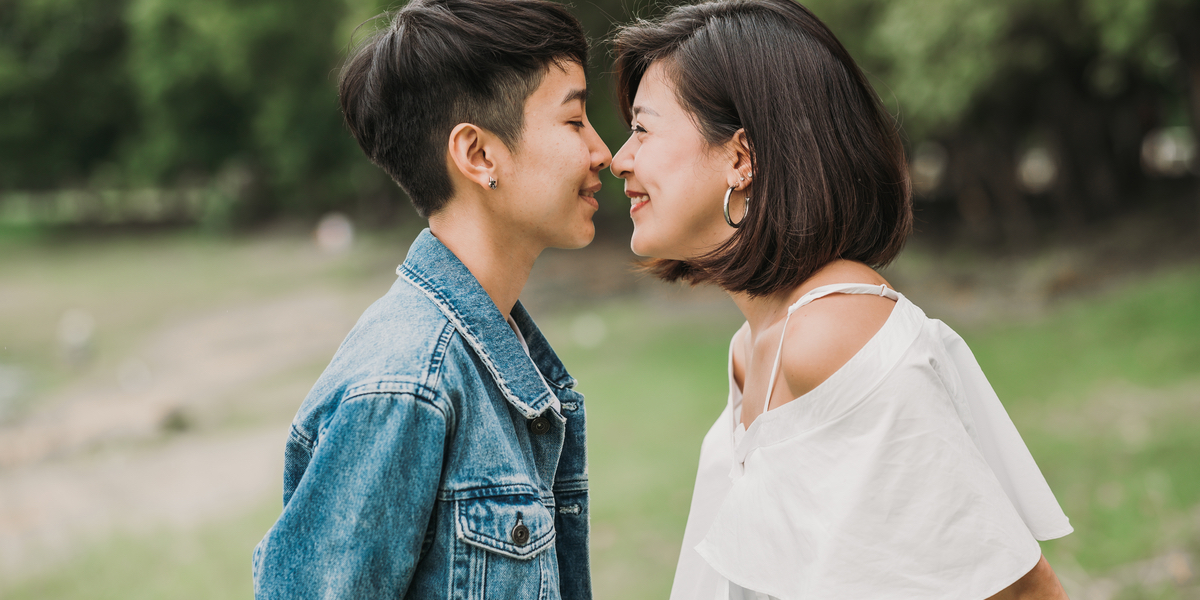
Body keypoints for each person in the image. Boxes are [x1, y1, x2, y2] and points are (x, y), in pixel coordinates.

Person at [609, 1, 1073, 599]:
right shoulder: (753, 347)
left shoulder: (833, 331)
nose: (620, 159)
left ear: (741, 158)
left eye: (642, 129)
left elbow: (1018, 591)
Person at [251, 0, 611, 597]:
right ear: (477, 154)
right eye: (575, 121)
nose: (603, 151)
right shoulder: (406, 385)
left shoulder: (491, 355)